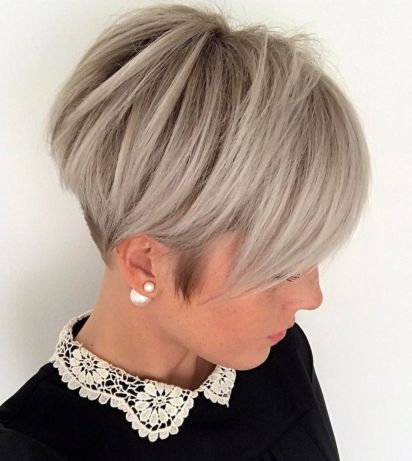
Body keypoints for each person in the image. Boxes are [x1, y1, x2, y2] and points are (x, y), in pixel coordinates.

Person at [0, 3, 371, 460]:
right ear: (144, 264)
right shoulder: (32, 449)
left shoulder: (280, 354)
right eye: (279, 268)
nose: (311, 298)